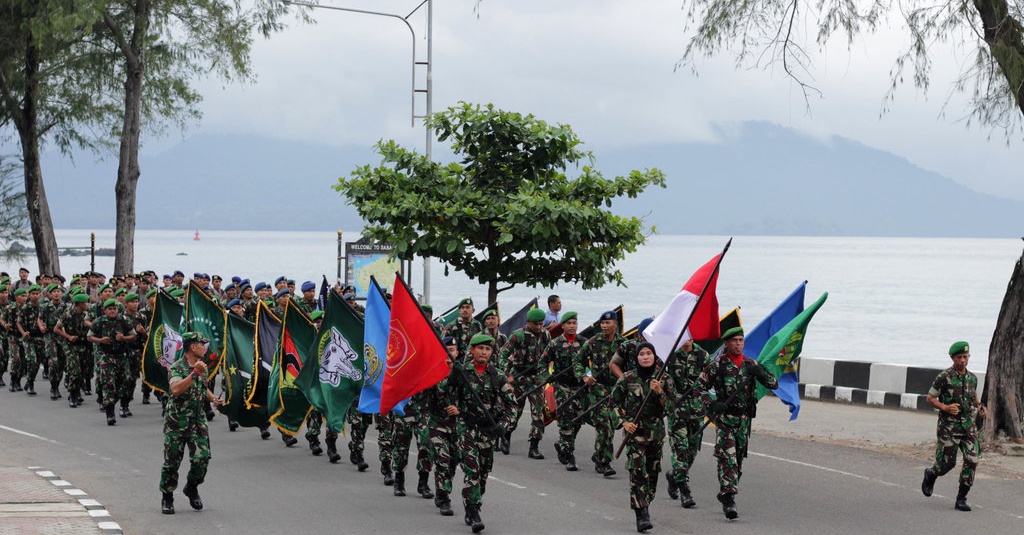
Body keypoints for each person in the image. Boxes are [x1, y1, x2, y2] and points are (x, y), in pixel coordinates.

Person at [697, 326, 777, 520]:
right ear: (726, 343)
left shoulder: (750, 364)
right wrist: (712, 404)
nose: (738, 343)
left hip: (744, 422)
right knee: (728, 459)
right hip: (725, 421)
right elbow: (698, 388)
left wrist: (760, 373)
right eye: (734, 340)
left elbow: (774, 383)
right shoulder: (718, 366)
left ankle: (726, 491)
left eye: (741, 340)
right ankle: (730, 499)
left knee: (737, 462)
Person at [448, 333, 515, 533]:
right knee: (472, 470)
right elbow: (446, 393)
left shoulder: (497, 375)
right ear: (472, 350)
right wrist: (453, 377)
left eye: (488, 350)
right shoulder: (462, 371)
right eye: (480, 349)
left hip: (487, 430)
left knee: (483, 473)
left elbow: (512, 405)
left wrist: (503, 425)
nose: (484, 352)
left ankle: (474, 505)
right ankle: (472, 511)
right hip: (466, 427)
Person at [159, 332, 222, 515]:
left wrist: (212, 399)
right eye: (202, 344)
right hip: (176, 421)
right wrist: (194, 373)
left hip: (197, 420)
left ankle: (191, 487)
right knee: (172, 462)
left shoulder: (202, 367)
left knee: (202, 458)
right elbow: (176, 389)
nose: (204, 347)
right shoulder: (177, 368)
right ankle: (167, 496)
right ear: (192, 347)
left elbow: (202, 389)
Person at [613, 342, 672, 532]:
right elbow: (612, 404)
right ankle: (641, 513)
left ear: (654, 357)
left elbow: (673, 407)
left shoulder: (664, 379)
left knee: (652, 476)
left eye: (649, 353)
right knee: (637, 473)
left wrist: (660, 393)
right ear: (636, 358)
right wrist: (624, 422)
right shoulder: (627, 378)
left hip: (655, 434)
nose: (645, 357)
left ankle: (645, 501)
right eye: (642, 354)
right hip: (634, 435)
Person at [921, 341, 986, 512]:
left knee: (972, 460)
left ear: (969, 357)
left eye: (965, 357)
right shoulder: (944, 377)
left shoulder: (973, 378)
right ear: (952, 358)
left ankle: (961, 498)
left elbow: (974, 399)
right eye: (959, 357)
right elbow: (930, 398)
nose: (963, 360)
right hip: (949, 427)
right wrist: (945, 407)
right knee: (947, 464)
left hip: (968, 427)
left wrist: (980, 408)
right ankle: (932, 473)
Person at [575, 311, 626, 477]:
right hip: (598, 390)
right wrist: (584, 376)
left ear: (615, 325)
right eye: (602, 323)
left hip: (617, 390)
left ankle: (599, 453)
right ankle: (604, 462)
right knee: (605, 426)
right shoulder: (593, 342)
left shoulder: (623, 344)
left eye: (608, 323)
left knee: (612, 425)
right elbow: (578, 361)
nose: (604, 326)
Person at [497, 307, 551, 458]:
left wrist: (547, 374)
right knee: (514, 412)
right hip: (518, 378)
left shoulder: (546, 335)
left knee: (538, 414)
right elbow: (503, 354)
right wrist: (507, 375)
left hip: (536, 379)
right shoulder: (518, 335)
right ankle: (506, 436)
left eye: (541, 324)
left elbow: (550, 355)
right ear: (528, 322)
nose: (539, 327)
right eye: (536, 324)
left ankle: (534, 446)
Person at [663, 338, 708, 508]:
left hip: (697, 411)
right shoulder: (670, 356)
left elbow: (712, 378)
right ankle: (685, 490)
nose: (685, 340)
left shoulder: (703, 355)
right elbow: (662, 378)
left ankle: (674, 475)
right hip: (677, 410)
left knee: (691, 451)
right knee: (680, 451)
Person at [541, 311, 587, 471]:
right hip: (562, 386)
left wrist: (588, 376)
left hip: (580, 387)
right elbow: (543, 363)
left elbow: (590, 365)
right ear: (563, 326)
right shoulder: (555, 344)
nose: (572, 326)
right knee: (566, 420)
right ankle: (569, 455)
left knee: (579, 419)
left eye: (574, 323)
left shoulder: (584, 343)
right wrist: (547, 376)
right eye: (569, 323)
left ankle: (563, 443)